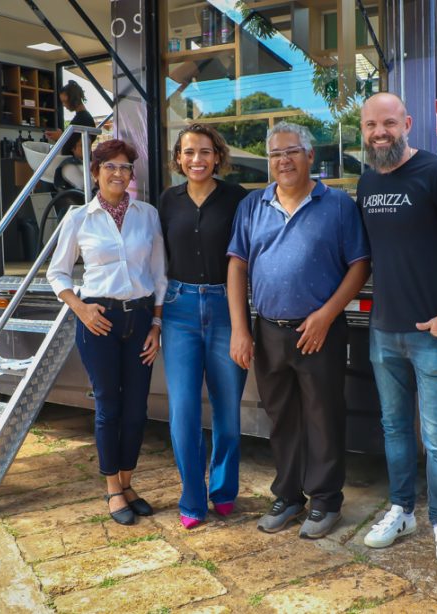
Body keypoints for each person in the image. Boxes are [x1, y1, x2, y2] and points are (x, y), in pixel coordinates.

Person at [357, 93, 437, 568]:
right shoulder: (367, 179)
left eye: (388, 123)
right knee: (394, 429)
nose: (379, 132)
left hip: (435, 333)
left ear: (407, 123)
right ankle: (401, 510)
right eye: (371, 125)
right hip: (383, 330)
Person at [227, 122, 370, 539]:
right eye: (275, 154)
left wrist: (326, 315)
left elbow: (360, 264)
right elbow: (237, 265)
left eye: (291, 151)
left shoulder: (338, 205)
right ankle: (288, 495)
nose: (283, 160)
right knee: (281, 417)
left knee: (324, 416)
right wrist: (241, 328)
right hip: (268, 328)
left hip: (319, 330)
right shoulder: (252, 205)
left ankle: (326, 502)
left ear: (310, 156)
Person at [46, 139, 167, 526]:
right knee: (108, 406)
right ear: (95, 172)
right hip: (98, 321)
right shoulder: (78, 218)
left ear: (133, 174)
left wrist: (156, 323)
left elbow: (160, 273)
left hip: (140, 320)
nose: (118, 173)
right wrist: (80, 308)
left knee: (137, 408)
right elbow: (57, 273)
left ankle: (129, 483)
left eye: (126, 167)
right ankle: (113, 487)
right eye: (110, 166)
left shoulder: (147, 215)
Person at [159, 124, 248, 529]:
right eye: (189, 152)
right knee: (183, 412)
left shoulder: (237, 199)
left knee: (228, 410)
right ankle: (192, 497)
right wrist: (155, 316)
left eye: (205, 152)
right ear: (178, 158)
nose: (197, 160)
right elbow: (156, 260)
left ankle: (225, 489)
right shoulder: (167, 201)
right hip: (179, 310)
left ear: (218, 156)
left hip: (225, 306)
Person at [44, 80, 96, 159]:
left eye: (65, 101)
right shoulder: (84, 118)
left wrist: (61, 136)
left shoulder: (82, 119)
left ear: (72, 99)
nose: (64, 105)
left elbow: (76, 144)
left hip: (77, 164)